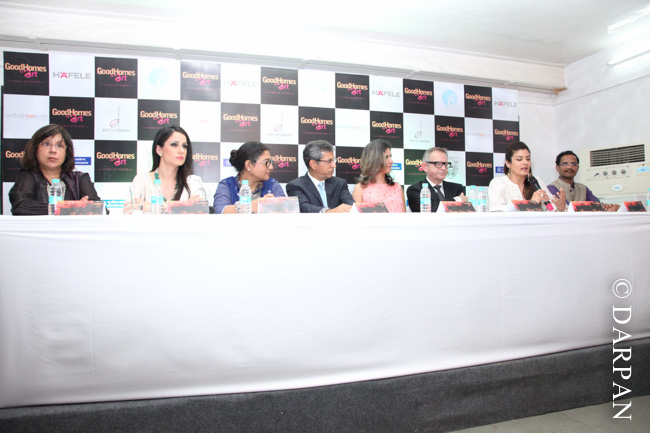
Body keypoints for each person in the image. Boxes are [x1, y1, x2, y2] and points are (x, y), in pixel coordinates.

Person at [9, 124, 103, 215]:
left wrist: (82, 208)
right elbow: (20, 206)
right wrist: (70, 208)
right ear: (35, 149)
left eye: (59, 145)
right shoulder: (27, 176)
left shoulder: (80, 179)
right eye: (46, 144)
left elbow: (100, 210)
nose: (53, 150)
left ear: (66, 152)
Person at [126, 125, 205, 213]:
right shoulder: (142, 180)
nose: (181, 150)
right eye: (174, 145)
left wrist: (156, 206)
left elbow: (200, 211)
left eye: (184, 146)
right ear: (159, 149)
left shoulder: (192, 182)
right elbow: (129, 211)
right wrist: (185, 205)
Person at [488, 141, 566, 212]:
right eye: (519, 159)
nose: (525, 162)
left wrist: (560, 208)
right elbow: (497, 213)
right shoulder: (498, 183)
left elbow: (550, 211)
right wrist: (532, 204)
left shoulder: (536, 181)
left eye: (528, 159)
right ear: (508, 163)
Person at [213, 141, 285, 214]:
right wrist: (252, 206)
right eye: (266, 162)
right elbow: (219, 211)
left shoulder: (272, 184)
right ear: (248, 165)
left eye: (271, 162)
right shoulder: (227, 185)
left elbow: (286, 210)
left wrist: (276, 206)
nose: (271, 167)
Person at [286, 140, 354, 213]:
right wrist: (329, 212)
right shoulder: (295, 186)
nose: (334, 165)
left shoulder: (339, 183)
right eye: (329, 161)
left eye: (334, 160)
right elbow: (304, 207)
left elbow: (351, 205)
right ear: (313, 164)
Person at [547, 150, 620, 212]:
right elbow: (568, 209)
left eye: (573, 164)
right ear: (557, 168)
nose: (569, 167)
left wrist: (605, 207)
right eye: (565, 164)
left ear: (577, 168)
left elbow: (596, 204)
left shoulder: (583, 188)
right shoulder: (551, 188)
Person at [352, 139, 406, 212]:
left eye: (390, 156)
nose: (391, 161)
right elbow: (356, 217)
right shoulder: (360, 188)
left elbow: (405, 216)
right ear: (374, 159)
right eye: (386, 157)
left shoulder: (397, 187)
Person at [406, 147, 467, 212]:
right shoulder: (415, 190)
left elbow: (464, 212)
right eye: (438, 164)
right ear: (425, 167)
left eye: (445, 164)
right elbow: (431, 211)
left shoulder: (456, 188)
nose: (443, 168)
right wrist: (458, 200)